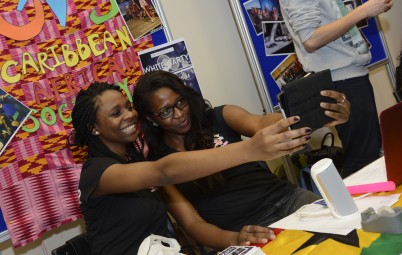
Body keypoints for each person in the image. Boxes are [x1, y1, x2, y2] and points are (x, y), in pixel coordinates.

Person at [70, 82, 313, 255]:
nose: (129, 115)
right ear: (94, 128)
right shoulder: (97, 172)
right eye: (116, 113)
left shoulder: (133, 163)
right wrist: (249, 150)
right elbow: (163, 171)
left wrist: (235, 239)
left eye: (127, 107)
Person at [132, 70, 350, 251]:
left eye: (181, 102)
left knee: (347, 236)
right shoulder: (160, 166)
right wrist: (235, 239)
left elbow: (262, 123)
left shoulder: (219, 116)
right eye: (166, 111)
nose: (179, 114)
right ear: (151, 119)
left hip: (287, 199)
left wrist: (316, 115)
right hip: (242, 230)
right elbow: (193, 223)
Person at [279, 0, 393, 177]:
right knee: (363, 163)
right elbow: (311, 39)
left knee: (370, 156)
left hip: (350, 74)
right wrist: (363, 11)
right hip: (341, 79)